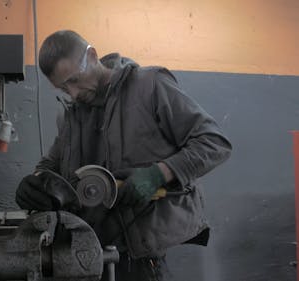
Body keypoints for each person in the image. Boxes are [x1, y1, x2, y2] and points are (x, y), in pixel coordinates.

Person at [15, 30, 232, 281]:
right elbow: (52, 164)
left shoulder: (150, 86)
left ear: (92, 56)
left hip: (152, 252)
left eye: (74, 80)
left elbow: (214, 143)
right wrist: (37, 180)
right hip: (94, 250)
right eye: (63, 87)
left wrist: (158, 174)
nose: (72, 94)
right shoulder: (71, 115)